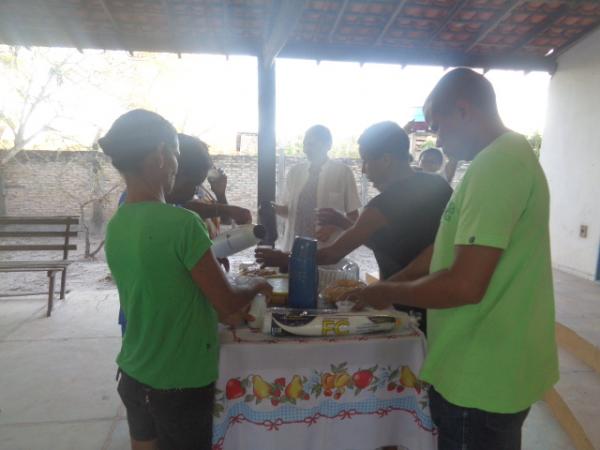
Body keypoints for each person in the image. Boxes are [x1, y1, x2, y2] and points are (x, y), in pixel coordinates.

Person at [344, 68, 558, 449]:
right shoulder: (507, 157)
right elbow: (441, 251)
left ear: (463, 110)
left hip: (479, 368)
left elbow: (465, 284)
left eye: (439, 126)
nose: (438, 140)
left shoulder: (497, 165)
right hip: (495, 361)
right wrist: (391, 288)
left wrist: (389, 294)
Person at [101, 109, 271, 450]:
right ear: (161, 156)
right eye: (177, 155)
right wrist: (258, 285)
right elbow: (226, 304)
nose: (179, 166)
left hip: (134, 373)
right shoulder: (182, 225)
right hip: (180, 382)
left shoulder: (117, 223)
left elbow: (165, 289)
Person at [257, 122, 452, 333]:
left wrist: (284, 258)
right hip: (445, 299)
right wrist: (342, 222)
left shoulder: (383, 205)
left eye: (366, 161)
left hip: (405, 303)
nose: (363, 170)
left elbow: (332, 254)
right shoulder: (438, 186)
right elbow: (395, 240)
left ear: (386, 160)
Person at [272, 125, 361, 251]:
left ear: (328, 145)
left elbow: (353, 216)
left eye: (312, 144)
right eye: (305, 144)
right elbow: (289, 211)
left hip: (326, 250)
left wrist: (333, 228)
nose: (307, 149)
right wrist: (272, 208)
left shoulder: (342, 173)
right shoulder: (295, 173)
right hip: (293, 248)